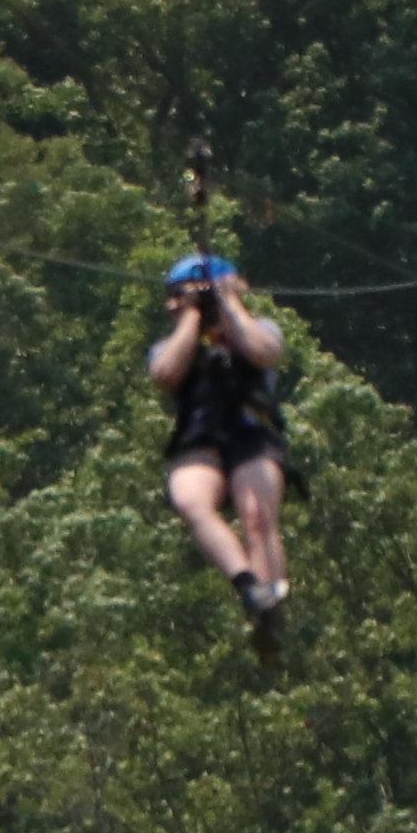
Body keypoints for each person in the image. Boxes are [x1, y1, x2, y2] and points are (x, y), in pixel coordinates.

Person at [151, 253, 292, 647]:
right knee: (191, 499)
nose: (171, 305)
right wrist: (193, 317)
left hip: (250, 434)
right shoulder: (175, 345)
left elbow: (265, 352)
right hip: (201, 439)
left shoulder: (257, 329)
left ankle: (270, 607)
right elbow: (164, 374)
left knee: (256, 512)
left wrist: (229, 303)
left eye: (179, 296)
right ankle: (249, 587)